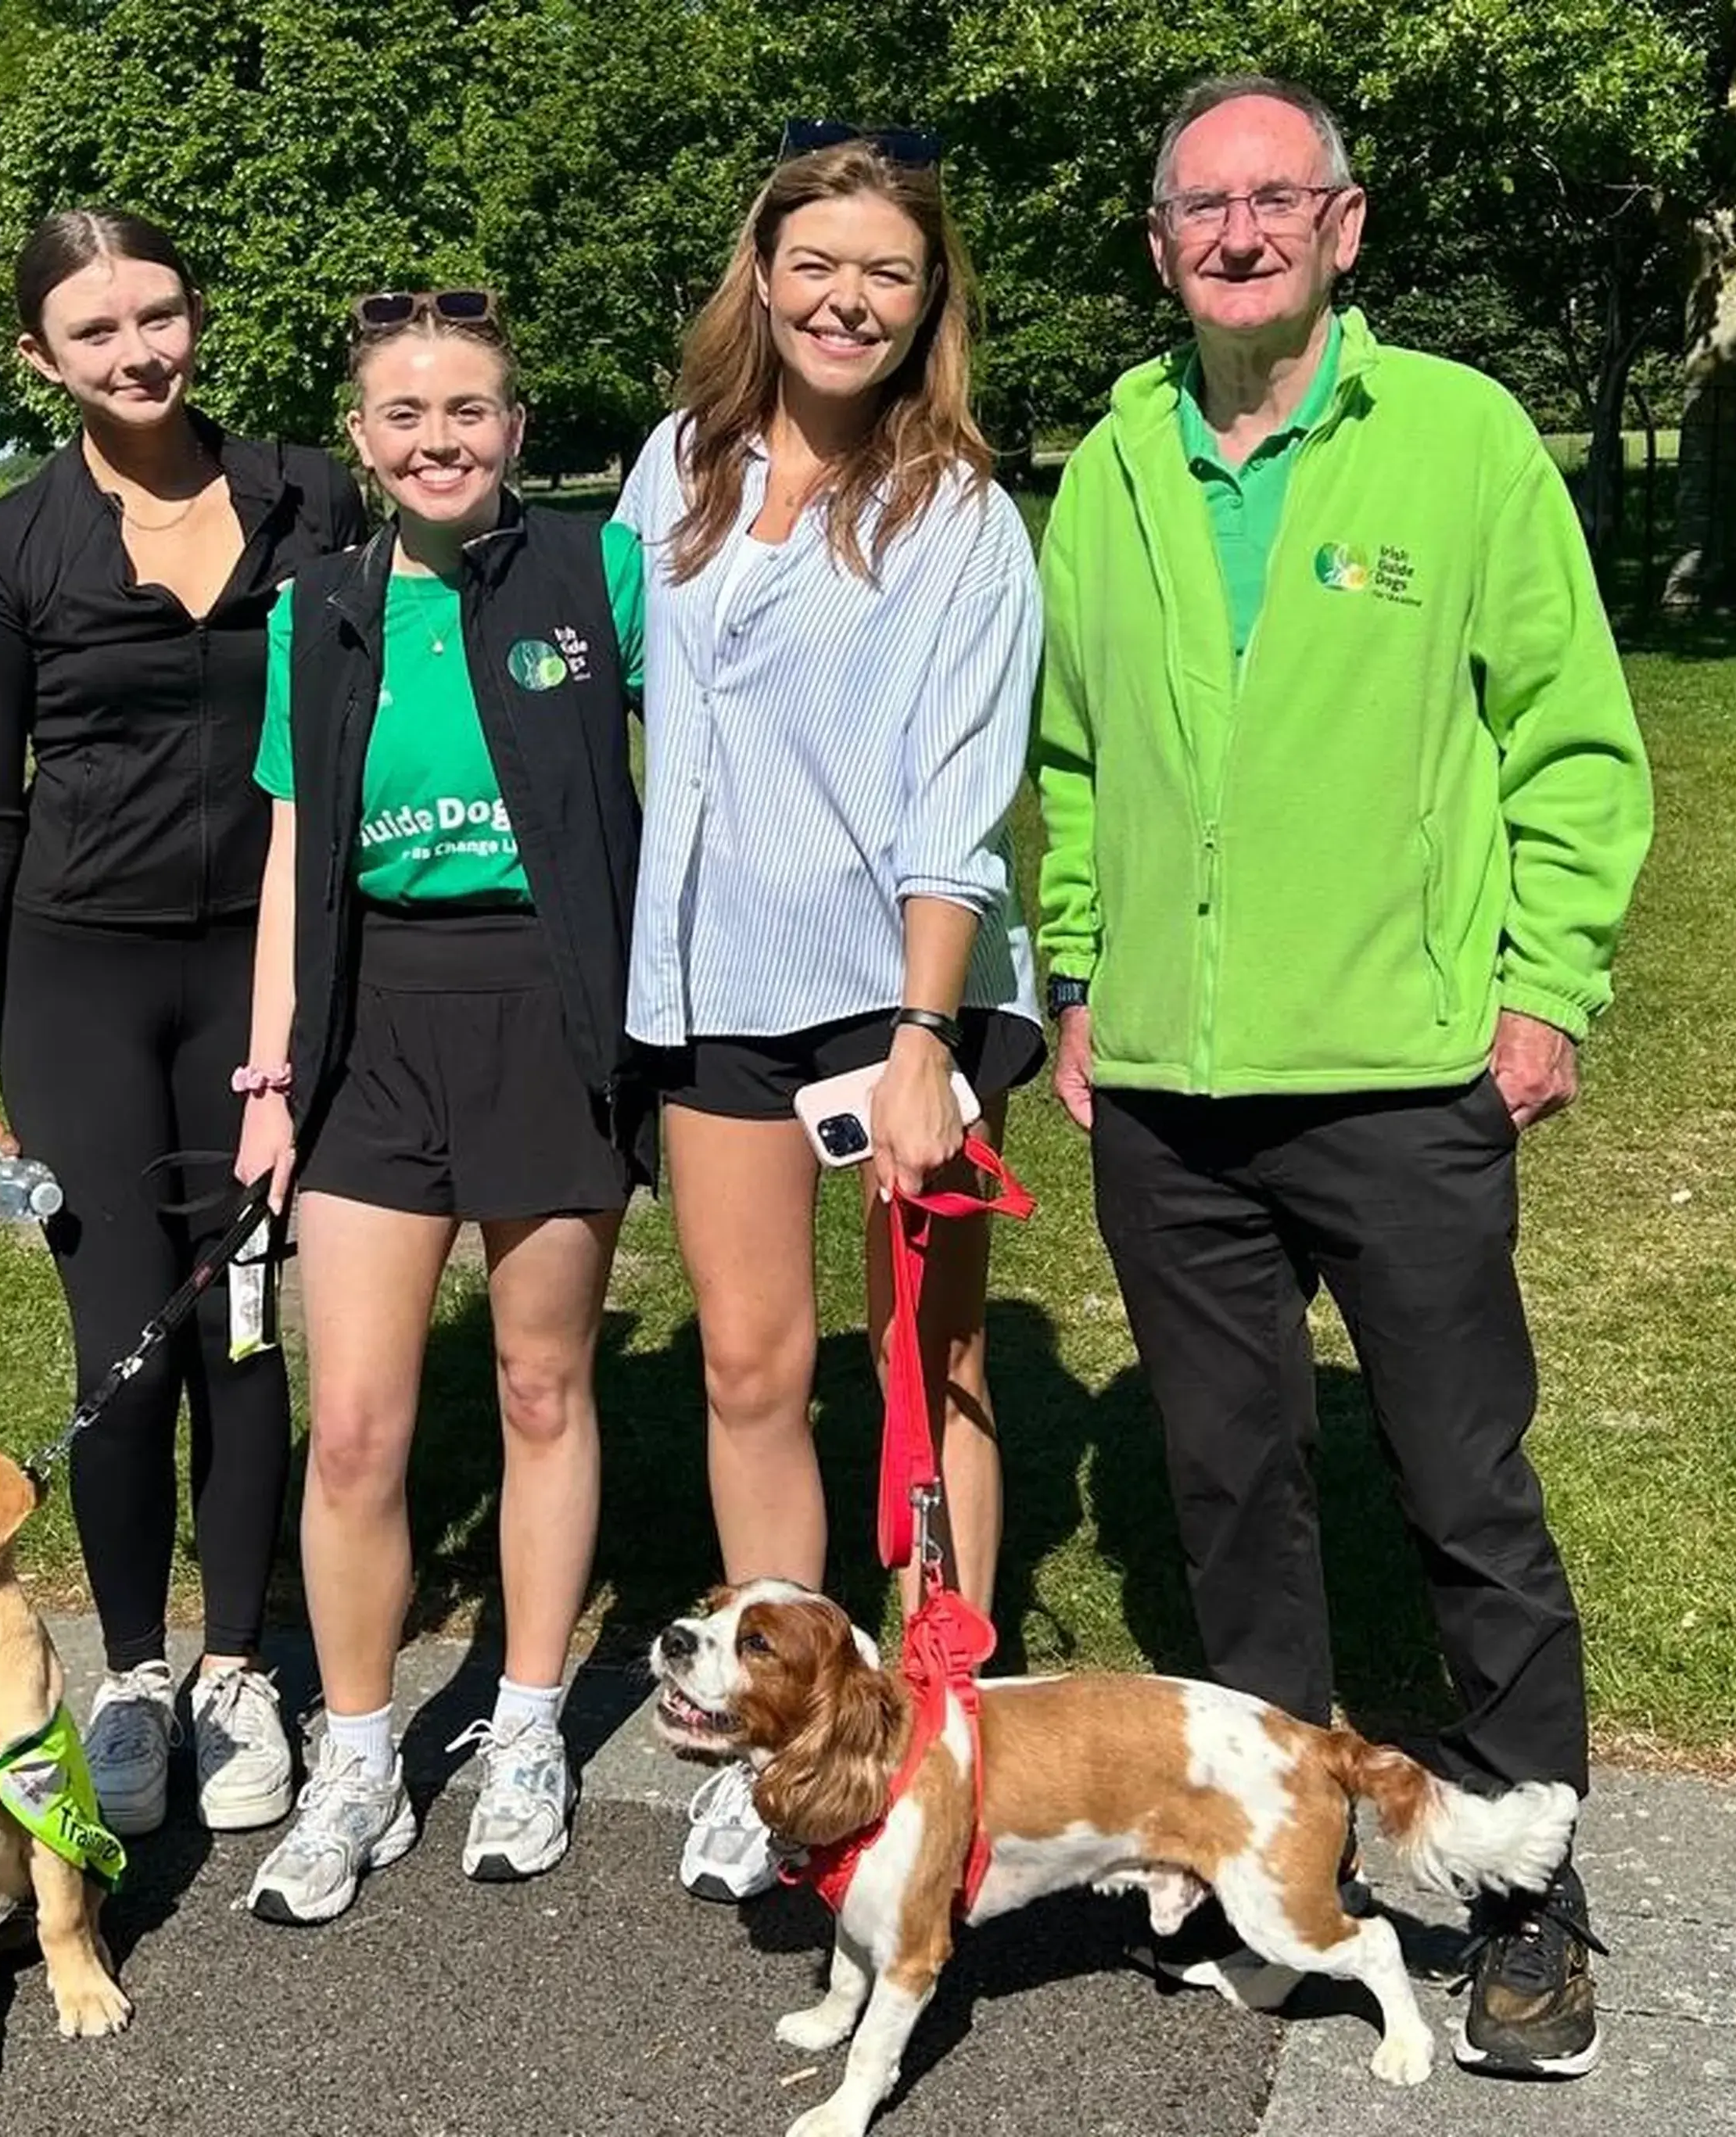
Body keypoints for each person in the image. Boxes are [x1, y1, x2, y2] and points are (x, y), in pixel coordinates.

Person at [1031, 75, 1655, 2078]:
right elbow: (1071, 764)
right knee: (1229, 1489)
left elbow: (1570, 743)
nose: (1235, 234)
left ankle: (1526, 1884)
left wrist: (1543, 986)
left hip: (1401, 1080)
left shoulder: (1460, 441)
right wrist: (1076, 975)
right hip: (1176, 1101)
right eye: (1200, 209)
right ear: (1159, 245)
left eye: (1271, 201)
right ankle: (1275, 1866)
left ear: (1344, 225)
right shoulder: (1114, 462)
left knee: (1463, 1486)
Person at [616, 124, 1044, 1907]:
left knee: (928, 1366)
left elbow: (960, 795)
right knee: (750, 1364)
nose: (846, 299)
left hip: (896, 997)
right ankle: (784, 1733)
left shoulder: (960, 517)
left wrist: (929, 1040)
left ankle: (945, 1722)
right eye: (817, 264)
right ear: (764, 277)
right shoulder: (677, 464)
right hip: (709, 987)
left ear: (929, 295)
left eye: (887, 270)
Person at [0, 208, 368, 1842]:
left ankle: (238, 1669)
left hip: (265, 977)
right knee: (125, 1342)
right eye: (96, 332)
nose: (139, 352)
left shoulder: (311, 494)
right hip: (82, 984)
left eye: (160, 315)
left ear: (198, 314)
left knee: (243, 1320)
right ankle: (131, 1670)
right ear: (42, 358)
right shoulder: (2, 552)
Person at [231, 289, 647, 1926]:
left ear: (518, 428)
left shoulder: (596, 572)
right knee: (356, 1427)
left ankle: (531, 1726)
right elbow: (288, 854)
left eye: (468, 409)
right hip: (370, 1029)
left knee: (544, 1388)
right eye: (405, 415)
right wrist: (270, 1076)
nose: (438, 439)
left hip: (548, 1010)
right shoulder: (315, 608)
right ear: (363, 440)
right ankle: (356, 1756)